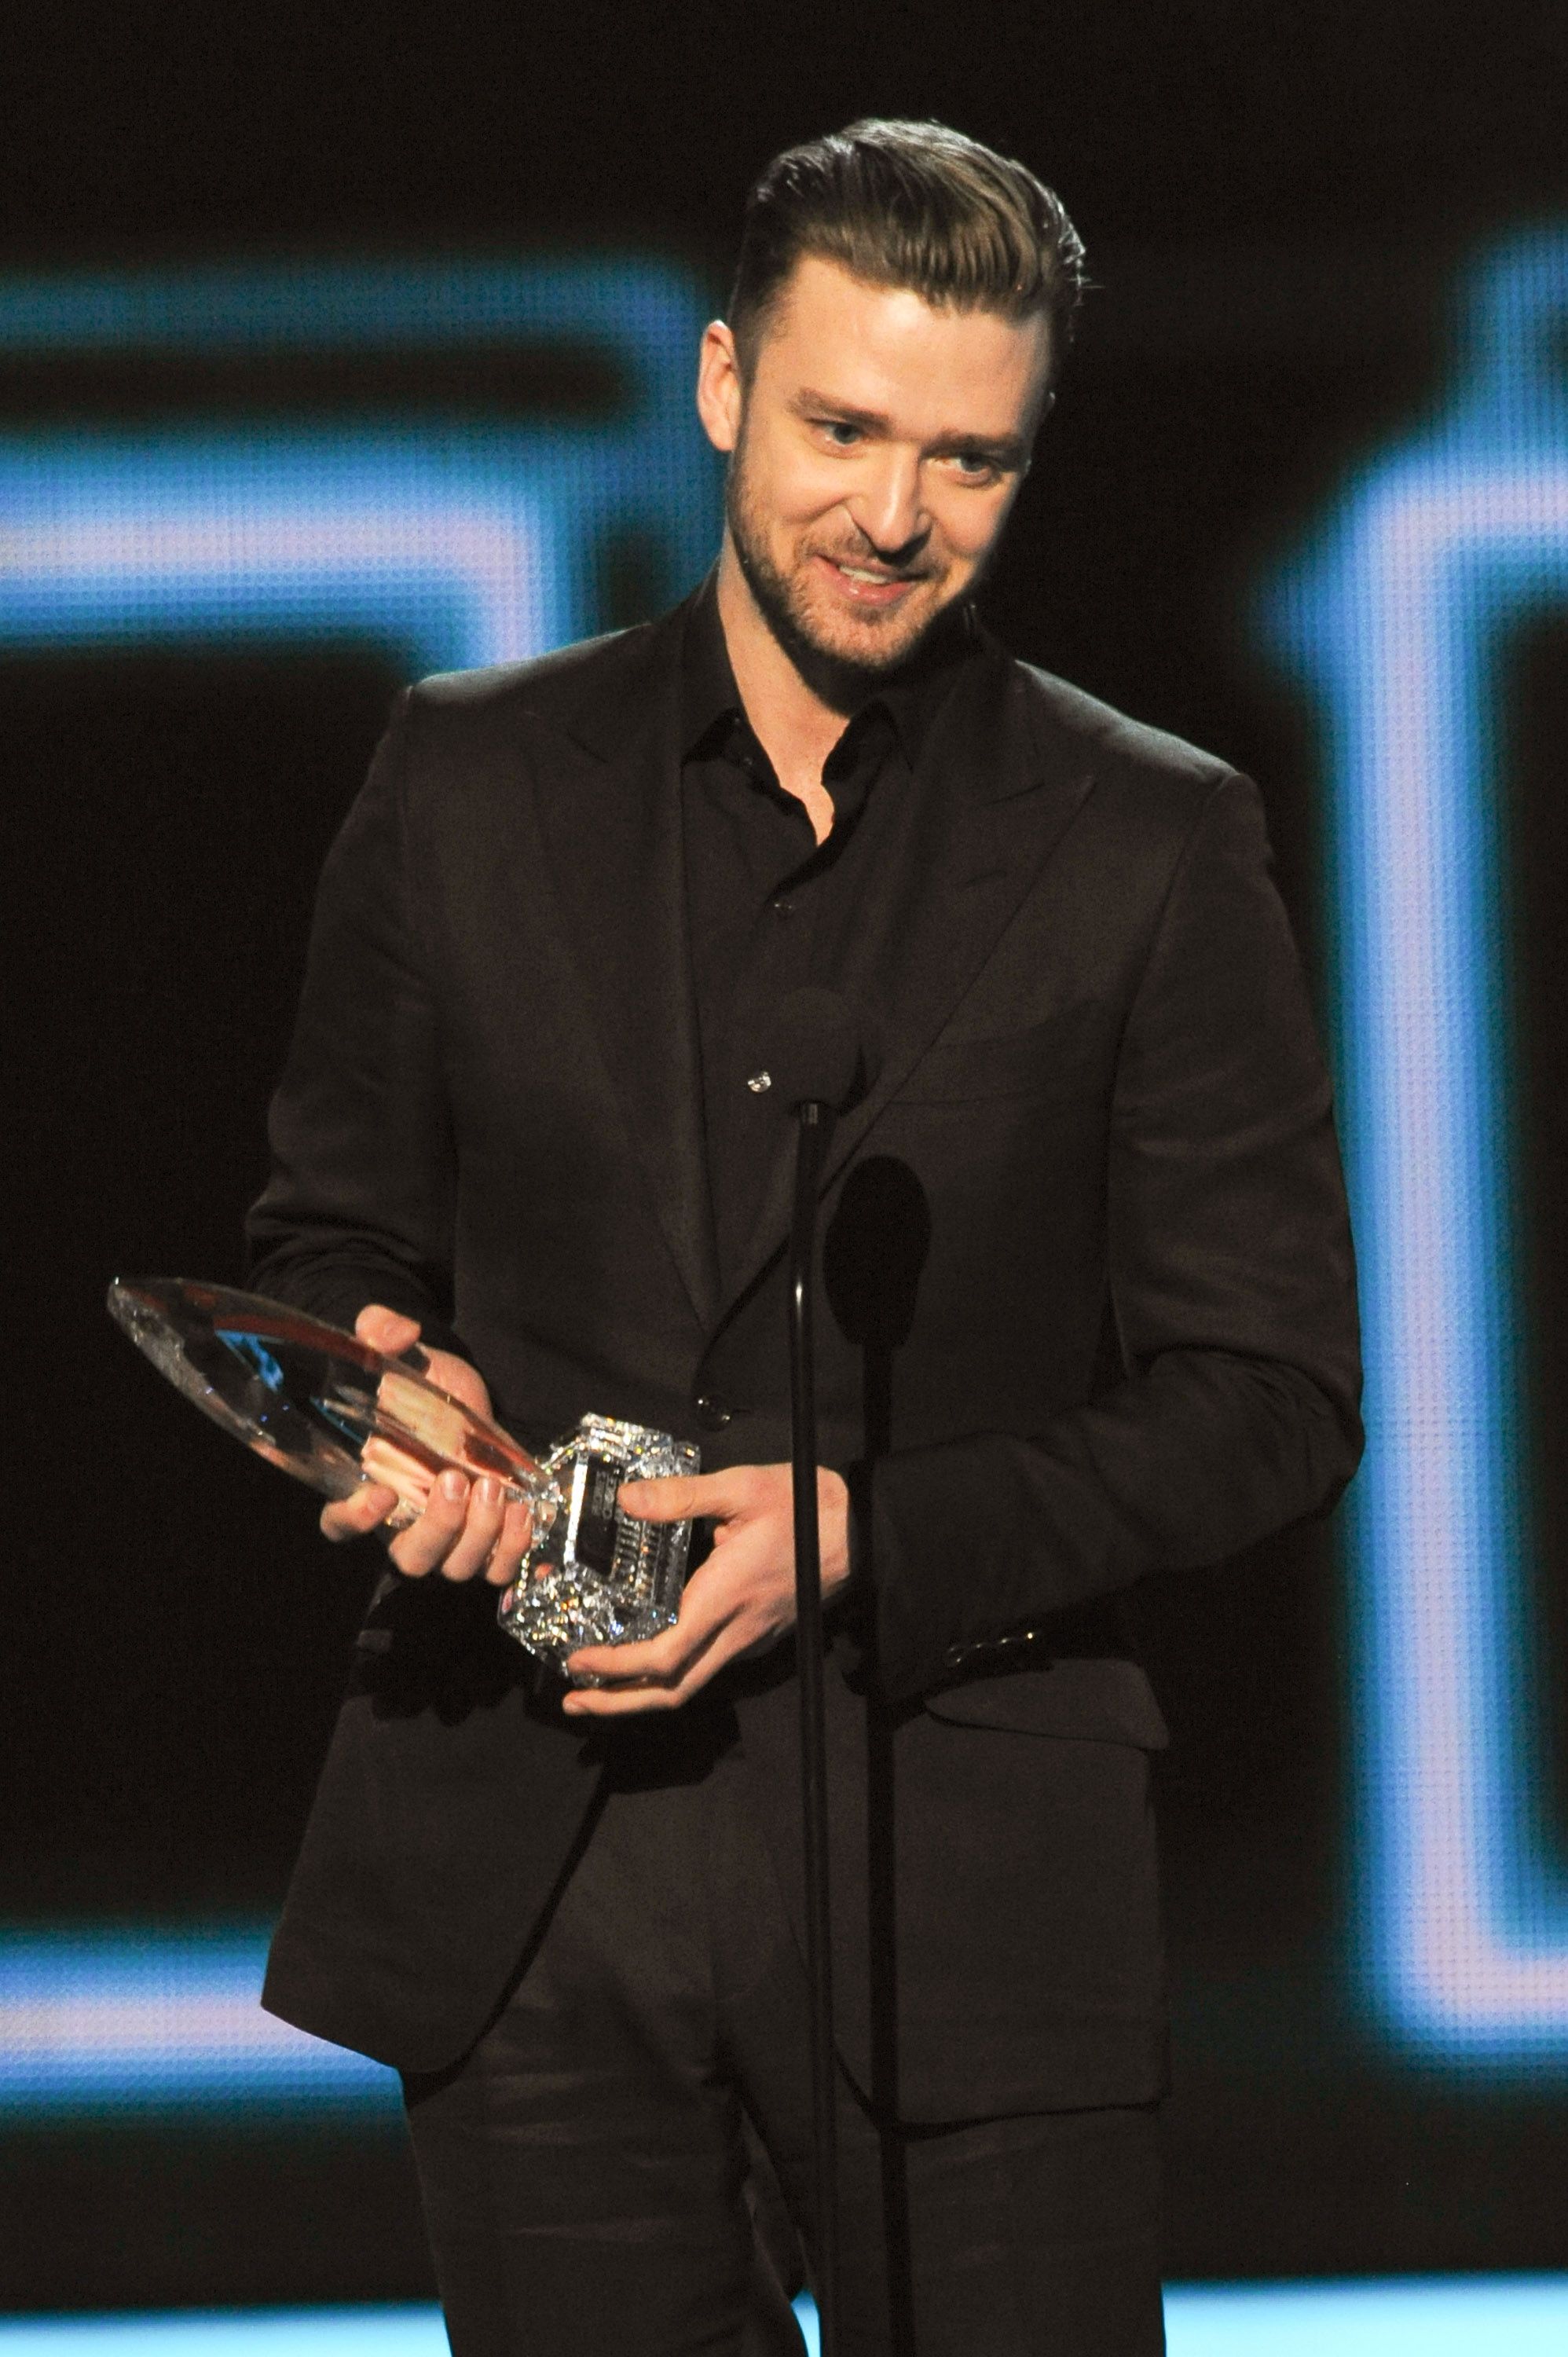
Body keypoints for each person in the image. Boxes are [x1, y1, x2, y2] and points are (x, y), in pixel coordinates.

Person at [247, 119, 1361, 2357]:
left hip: (964, 1878)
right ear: (722, 383)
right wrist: (380, 1394)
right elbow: (326, 1233)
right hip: (534, 1875)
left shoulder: (1149, 842)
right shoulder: (464, 780)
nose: (891, 514)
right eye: (846, 429)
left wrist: (860, 1530)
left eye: (968, 460)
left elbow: (1270, 1402)